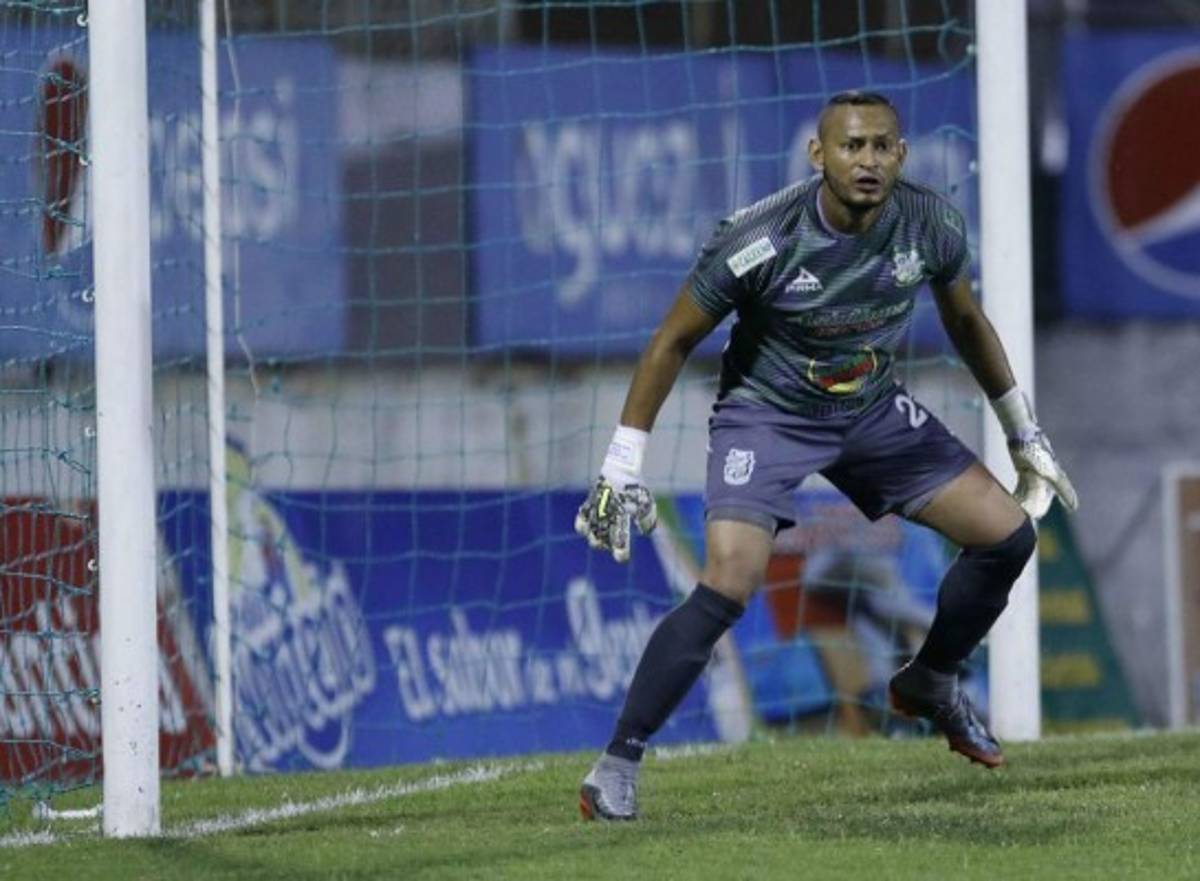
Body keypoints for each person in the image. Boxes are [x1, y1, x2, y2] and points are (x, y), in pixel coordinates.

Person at [573, 91, 1077, 822]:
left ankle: (930, 680)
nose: (867, 160)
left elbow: (965, 318)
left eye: (881, 146)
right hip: (767, 417)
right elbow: (671, 342)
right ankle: (616, 762)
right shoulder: (761, 239)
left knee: (1007, 534)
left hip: (870, 410)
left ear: (901, 156)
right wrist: (622, 463)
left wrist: (1022, 432)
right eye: (851, 146)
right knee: (729, 581)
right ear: (819, 155)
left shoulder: (929, 222)